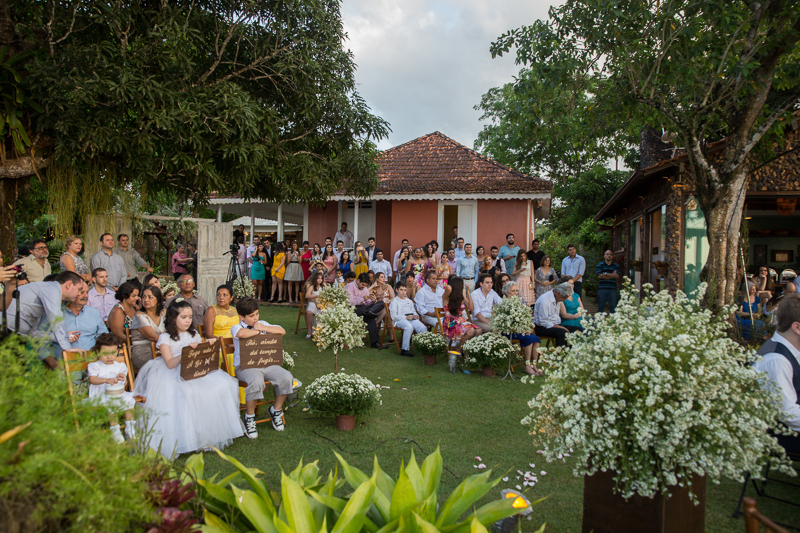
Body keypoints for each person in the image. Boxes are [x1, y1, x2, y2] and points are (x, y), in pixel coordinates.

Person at [134, 300, 243, 456]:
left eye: (190, 317)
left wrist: (207, 346)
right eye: (183, 317)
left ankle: (208, 434)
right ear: (173, 318)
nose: (187, 321)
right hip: (173, 373)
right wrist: (185, 352)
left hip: (195, 370)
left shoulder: (194, 334)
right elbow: (170, 363)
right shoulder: (165, 338)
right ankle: (186, 437)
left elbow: (202, 356)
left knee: (222, 385)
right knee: (188, 392)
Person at [231, 298, 295, 437]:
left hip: (267, 364)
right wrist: (258, 332)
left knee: (286, 377)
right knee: (257, 382)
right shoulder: (237, 327)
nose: (255, 318)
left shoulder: (262, 324)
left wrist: (263, 328)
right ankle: (249, 417)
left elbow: (282, 331)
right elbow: (241, 334)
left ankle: (276, 410)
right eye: (251, 316)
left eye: (257, 314)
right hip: (245, 367)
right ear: (242, 317)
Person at [753, 293, 800, 453]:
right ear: (797, 327)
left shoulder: (789, 349)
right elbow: (788, 414)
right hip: (782, 435)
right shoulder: (776, 360)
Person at [7, 271, 84, 368]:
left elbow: (34, 333)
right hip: (6, 332)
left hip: (17, 336)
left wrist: (63, 336)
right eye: (79, 289)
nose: (79, 294)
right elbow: (56, 319)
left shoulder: (45, 296)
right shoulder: (51, 290)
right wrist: (68, 348)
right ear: (69, 285)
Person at [86, 333, 137, 443]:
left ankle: (130, 427)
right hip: (101, 394)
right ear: (97, 352)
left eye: (113, 353)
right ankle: (115, 429)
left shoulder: (119, 366)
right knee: (111, 403)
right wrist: (105, 380)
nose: (109, 357)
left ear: (117, 352)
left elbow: (124, 383)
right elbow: (92, 380)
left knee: (129, 400)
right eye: (105, 353)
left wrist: (123, 379)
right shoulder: (95, 366)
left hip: (117, 393)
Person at [43, 280, 108, 358]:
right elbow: (40, 342)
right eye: (81, 292)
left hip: (92, 364)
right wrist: (53, 364)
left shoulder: (93, 313)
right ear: (70, 292)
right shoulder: (54, 314)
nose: (86, 296)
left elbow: (104, 337)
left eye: (87, 292)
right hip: (63, 365)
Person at [502, 282, 542, 375]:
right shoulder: (504, 304)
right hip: (510, 331)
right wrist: (519, 329)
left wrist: (526, 328)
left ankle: (534, 365)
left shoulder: (519, 302)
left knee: (536, 339)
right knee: (529, 339)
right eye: (513, 291)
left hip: (521, 330)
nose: (515, 293)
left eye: (516, 290)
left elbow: (524, 319)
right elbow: (506, 323)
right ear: (507, 292)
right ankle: (527, 366)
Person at [347, 273, 387, 349]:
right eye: (363, 285)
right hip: (353, 309)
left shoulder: (364, 289)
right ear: (358, 281)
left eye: (365, 285)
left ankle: (369, 312)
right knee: (370, 317)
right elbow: (350, 302)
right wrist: (362, 299)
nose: (364, 287)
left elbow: (367, 302)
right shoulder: (350, 287)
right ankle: (374, 342)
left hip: (364, 308)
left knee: (381, 303)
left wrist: (372, 300)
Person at [533, 283, 581, 347]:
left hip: (555, 325)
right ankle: (561, 354)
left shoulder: (557, 298)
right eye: (564, 297)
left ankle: (572, 351)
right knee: (562, 332)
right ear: (558, 293)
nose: (564, 300)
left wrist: (559, 326)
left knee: (578, 330)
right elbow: (543, 321)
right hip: (542, 327)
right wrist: (558, 327)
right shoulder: (544, 300)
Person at [130, 285, 165, 370]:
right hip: (143, 353)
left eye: (150, 297)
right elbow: (153, 336)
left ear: (158, 299)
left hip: (161, 351)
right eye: (143, 297)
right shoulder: (139, 316)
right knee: (167, 363)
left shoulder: (164, 313)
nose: (146, 300)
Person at [441, 275, 480, 351]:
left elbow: (471, 308)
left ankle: (466, 350)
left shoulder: (461, 297)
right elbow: (448, 287)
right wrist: (454, 282)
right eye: (462, 285)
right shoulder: (446, 298)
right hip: (451, 323)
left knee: (479, 330)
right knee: (471, 331)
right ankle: (458, 351)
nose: (463, 286)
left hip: (461, 321)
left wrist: (468, 293)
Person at [389, 283, 426, 357]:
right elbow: (393, 317)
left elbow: (414, 311)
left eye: (405, 290)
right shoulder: (394, 301)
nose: (403, 292)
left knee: (423, 327)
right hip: (400, 320)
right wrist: (405, 318)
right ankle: (405, 349)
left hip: (411, 318)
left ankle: (424, 347)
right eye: (401, 290)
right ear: (396, 290)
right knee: (409, 327)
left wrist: (416, 316)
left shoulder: (409, 301)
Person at [596, 250, 621, 314]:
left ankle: (612, 322)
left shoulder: (616, 266)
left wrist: (605, 273)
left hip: (612, 288)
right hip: (602, 288)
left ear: (612, 256)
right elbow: (600, 276)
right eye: (607, 254)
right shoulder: (600, 265)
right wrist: (612, 275)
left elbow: (617, 275)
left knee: (613, 307)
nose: (609, 256)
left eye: (610, 254)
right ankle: (599, 322)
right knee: (600, 307)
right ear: (604, 256)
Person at [304, 271, 325, 338]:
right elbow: (307, 296)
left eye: (321, 278)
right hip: (313, 302)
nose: (320, 280)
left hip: (322, 303)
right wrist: (316, 298)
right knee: (309, 312)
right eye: (318, 278)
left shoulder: (323, 286)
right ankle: (309, 331)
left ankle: (323, 331)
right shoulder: (312, 286)